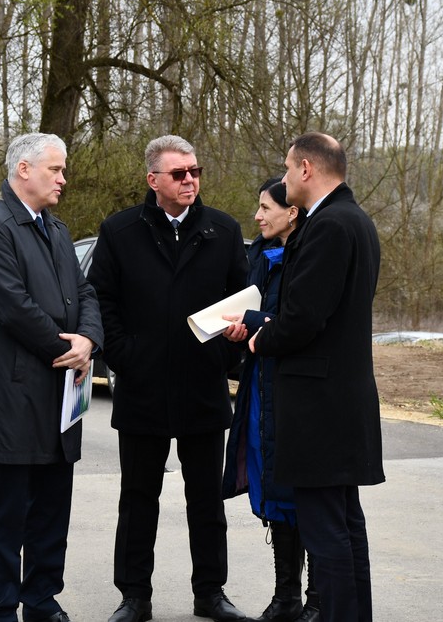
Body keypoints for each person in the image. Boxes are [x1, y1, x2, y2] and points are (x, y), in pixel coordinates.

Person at [87, 135, 250, 622]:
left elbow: (243, 302)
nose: (190, 180)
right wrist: (128, 357)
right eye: (179, 173)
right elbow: (102, 302)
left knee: (206, 500)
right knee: (138, 500)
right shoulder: (119, 232)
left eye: (195, 171)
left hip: (203, 388)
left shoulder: (222, 230)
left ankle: (211, 593)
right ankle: (134, 596)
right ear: (152, 179)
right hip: (143, 387)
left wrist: (220, 359)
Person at [0, 133, 103, 622]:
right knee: (12, 509)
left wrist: (88, 341)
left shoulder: (58, 230)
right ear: (24, 169)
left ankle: (42, 599)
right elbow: (13, 308)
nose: (63, 178)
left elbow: (86, 293)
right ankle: (2, 608)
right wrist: (68, 347)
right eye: (55, 170)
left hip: (63, 390)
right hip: (18, 392)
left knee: (52, 506)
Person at [249, 133, 384, 621]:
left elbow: (305, 317)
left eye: (287, 169)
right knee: (345, 527)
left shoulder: (329, 226)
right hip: (340, 402)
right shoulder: (354, 220)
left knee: (329, 533)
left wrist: (260, 338)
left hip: (321, 408)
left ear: (306, 169)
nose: (284, 180)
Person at [221, 178, 319, 622]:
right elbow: (259, 321)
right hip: (261, 387)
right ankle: (286, 598)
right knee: (274, 487)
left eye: (265, 208)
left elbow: (301, 322)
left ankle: (318, 598)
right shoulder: (258, 256)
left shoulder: (310, 255)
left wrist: (253, 320)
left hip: (298, 393)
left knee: (307, 492)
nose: (257, 216)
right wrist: (241, 333)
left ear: (291, 212)